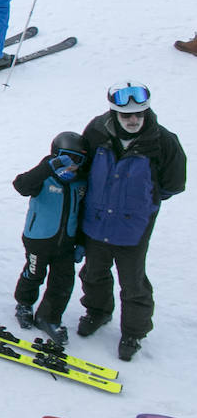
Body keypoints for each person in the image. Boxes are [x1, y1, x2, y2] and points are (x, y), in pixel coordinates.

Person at [76, 82, 186, 361]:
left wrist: (144, 202)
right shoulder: (96, 131)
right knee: (93, 273)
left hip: (133, 227)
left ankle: (134, 332)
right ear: (115, 114)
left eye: (139, 114)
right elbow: (83, 167)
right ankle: (97, 312)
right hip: (96, 220)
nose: (134, 120)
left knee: (133, 282)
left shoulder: (164, 141)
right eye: (127, 116)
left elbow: (174, 183)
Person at [11, 131, 87, 345]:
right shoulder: (43, 177)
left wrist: (81, 241)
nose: (71, 165)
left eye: (78, 160)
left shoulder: (80, 183)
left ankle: (49, 317)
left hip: (66, 243)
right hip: (39, 239)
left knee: (63, 282)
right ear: (55, 155)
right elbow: (21, 185)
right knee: (34, 273)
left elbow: (82, 214)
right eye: (66, 158)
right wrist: (48, 168)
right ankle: (24, 303)